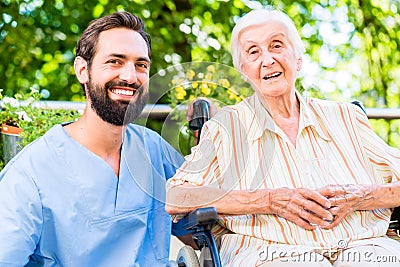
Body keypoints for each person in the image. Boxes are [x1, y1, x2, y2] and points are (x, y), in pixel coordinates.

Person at [166, 7, 400, 267]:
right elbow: (176, 196)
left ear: (298, 59)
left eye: (276, 45)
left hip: (364, 245)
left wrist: (362, 196)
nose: (267, 60)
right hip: (270, 253)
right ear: (243, 71)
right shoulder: (226, 128)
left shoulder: (346, 117)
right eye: (254, 52)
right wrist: (269, 200)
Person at [0, 11, 192, 266]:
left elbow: (201, 231)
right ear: (82, 70)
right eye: (115, 61)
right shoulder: (30, 174)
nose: (130, 77)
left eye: (141, 65)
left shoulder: (154, 150)